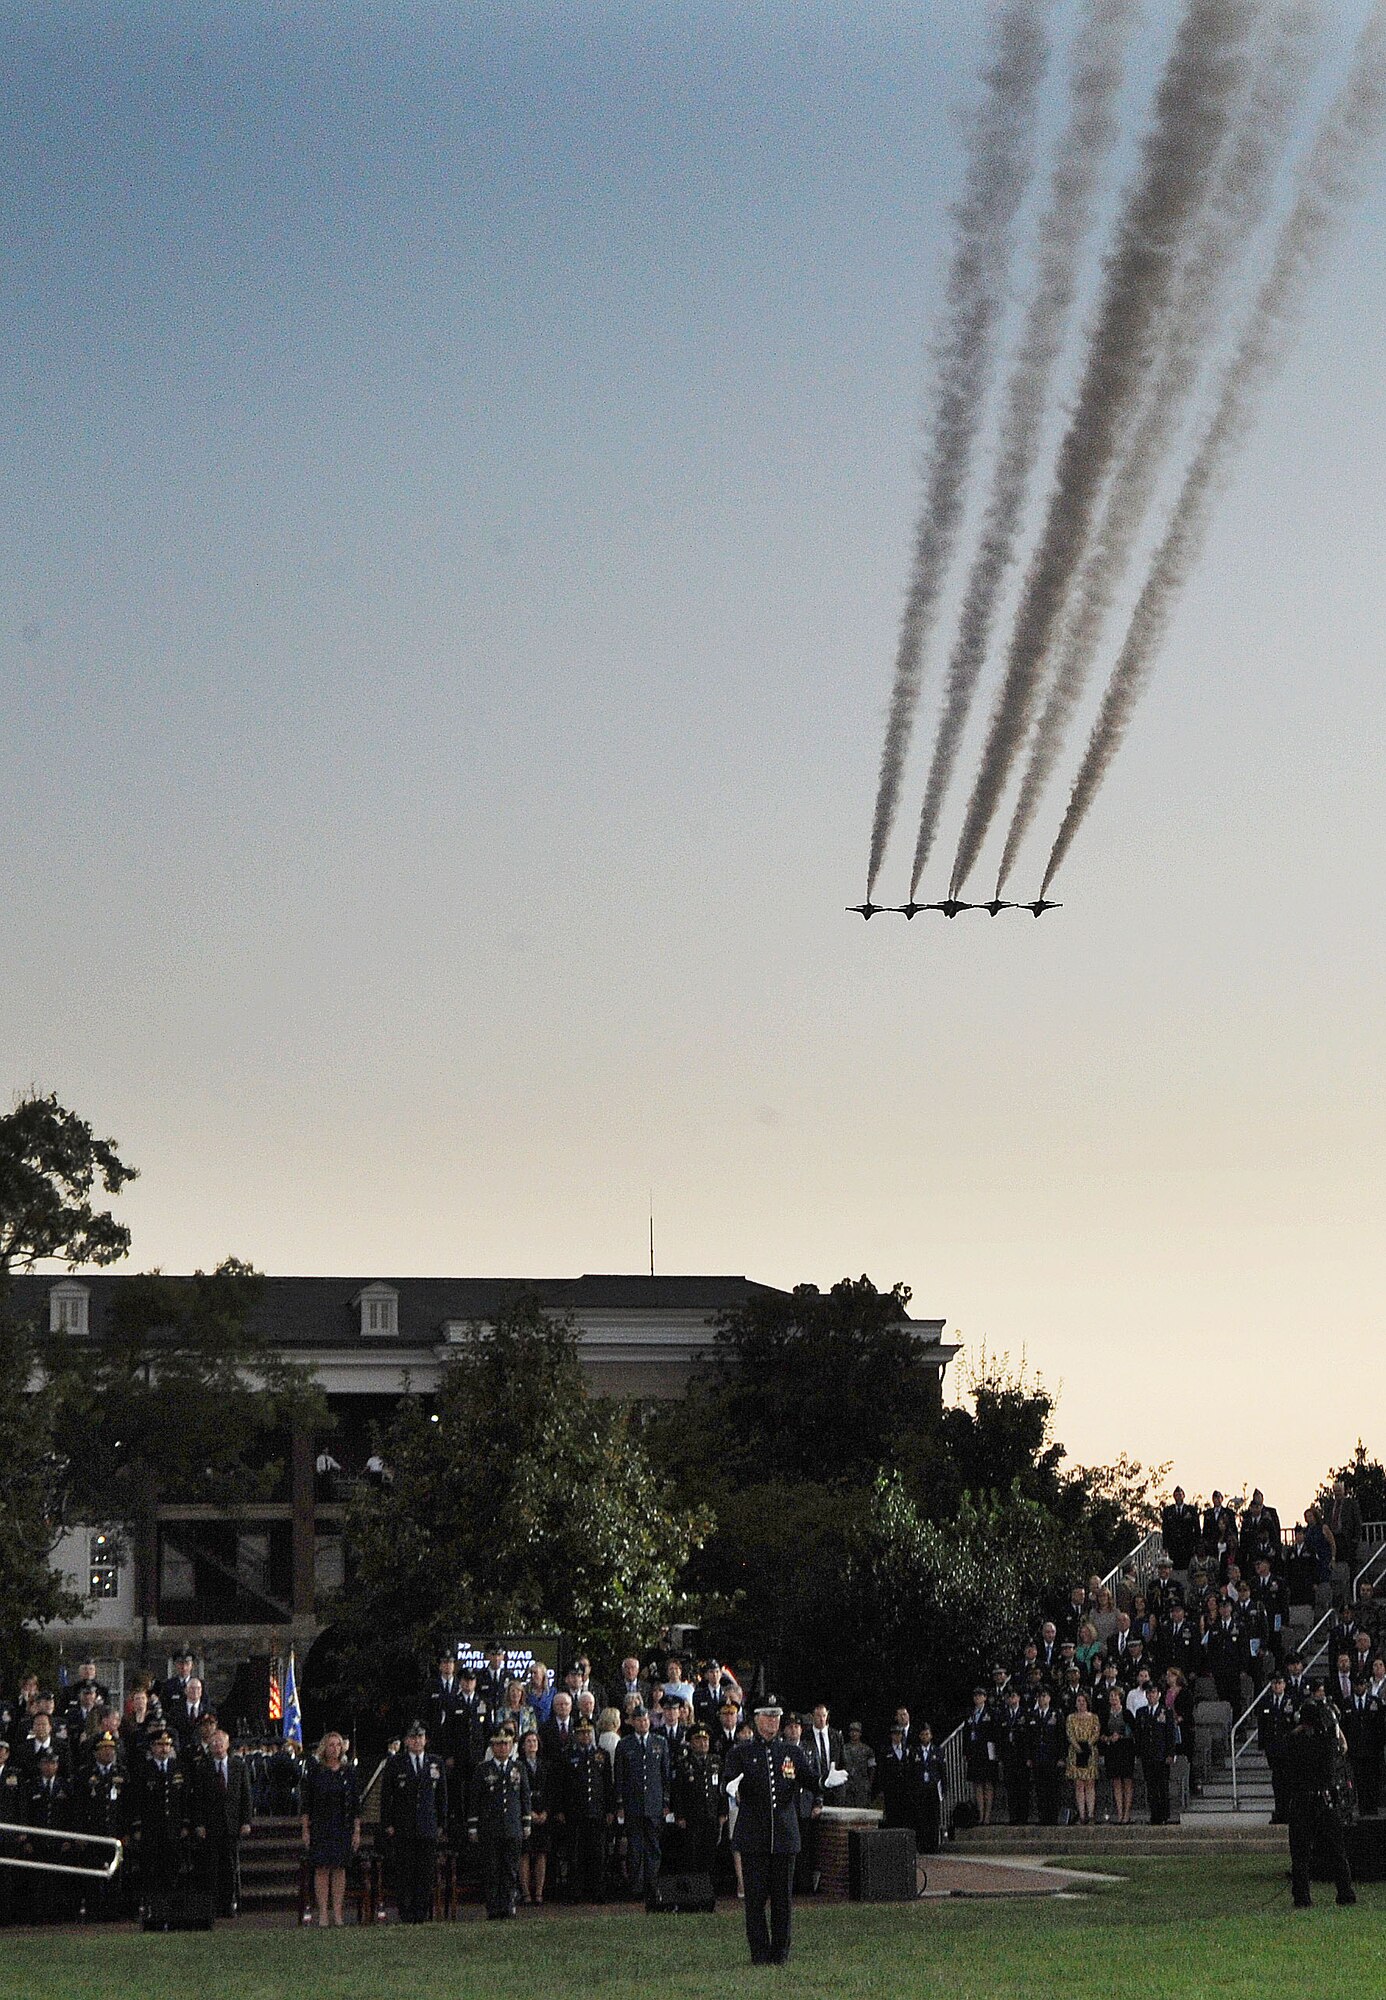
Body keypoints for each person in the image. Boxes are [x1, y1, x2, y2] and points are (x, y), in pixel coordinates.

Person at [722, 1695, 821, 1966]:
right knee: (755, 1900)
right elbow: (728, 1781)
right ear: (755, 1719)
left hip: (784, 1836)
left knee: (782, 1900)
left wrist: (825, 1781)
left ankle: (781, 1952)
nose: (772, 1721)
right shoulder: (740, 1752)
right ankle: (759, 1952)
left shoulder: (791, 1752)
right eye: (767, 1716)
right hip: (754, 1835)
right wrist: (731, 1787)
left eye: (776, 1716)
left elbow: (811, 1780)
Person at [1283, 1696, 1355, 1909]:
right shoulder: (1325, 1742)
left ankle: (1302, 1896)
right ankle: (1345, 1892)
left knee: (1300, 1853)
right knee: (1336, 1850)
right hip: (1323, 1800)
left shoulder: (1293, 1742)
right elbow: (1342, 1746)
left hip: (1300, 1801)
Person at [381, 1721, 447, 1923]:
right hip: (404, 1826)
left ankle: (422, 1911)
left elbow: (442, 1796)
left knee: (425, 1872)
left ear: (426, 1740)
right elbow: (386, 1796)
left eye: (420, 1737)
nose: (417, 1741)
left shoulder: (435, 1762)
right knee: (405, 1871)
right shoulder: (395, 1763)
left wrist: (441, 1823)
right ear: (406, 1741)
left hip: (427, 1826)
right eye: (413, 1737)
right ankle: (406, 1911)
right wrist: (388, 1823)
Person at [300, 1730, 361, 1928]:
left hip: (342, 1825)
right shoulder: (315, 1771)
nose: (334, 1749)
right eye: (331, 1745)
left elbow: (355, 1804)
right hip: (321, 1825)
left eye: (338, 1745)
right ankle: (323, 1914)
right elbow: (306, 1803)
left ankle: (338, 1913)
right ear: (324, 1748)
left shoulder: (348, 1771)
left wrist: (356, 1830)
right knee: (322, 1869)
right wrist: (305, 1829)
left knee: (339, 1869)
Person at [470, 1725, 531, 1919]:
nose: (503, 1748)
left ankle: (509, 1904)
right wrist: (473, 1826)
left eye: (506, 1744)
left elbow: (524, 1796)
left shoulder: (518, 1768)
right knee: (492, 1869)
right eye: (499, 1744)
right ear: (492, 1746)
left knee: (510, 1869)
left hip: (512, 1826)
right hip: (490, 1827)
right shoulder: (483, 1769)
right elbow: (474, 1799)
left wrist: (526, 1821)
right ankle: (493, 1907)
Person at [192, 1727, 253, 1918]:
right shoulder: (203, 1767)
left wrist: (246, 1821)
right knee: (211, 1867)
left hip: (232, 1824)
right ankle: (212, 1905)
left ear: (227, 1745)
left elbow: (246, 1795)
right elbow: (198, 1798)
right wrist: (200, 1823)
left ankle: (231, 1903)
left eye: (220, 1742)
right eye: (214, 1743)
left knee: (230, 1866)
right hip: (211, 1825)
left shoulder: (238, 1765)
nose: (217, 1746)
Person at [613, 1702, 671, 1899]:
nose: (643, 1723)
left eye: (645, 1720)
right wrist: (620, 1804)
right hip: (633, 1804)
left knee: (653, 1846)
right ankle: (636, 1886)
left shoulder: (659, 1742)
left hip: (654, 1803)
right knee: (635, 1847)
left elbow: (665, 1775)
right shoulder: (625, 1744)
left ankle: (652, 1885)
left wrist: (665, 1802)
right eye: (639, 1720)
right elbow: (619, 1776)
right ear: (633, 1722)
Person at [557, 1715, 612, 1902]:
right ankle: (576, 1893)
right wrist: (561, 1810)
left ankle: (598, 1892)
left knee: (597, 1854)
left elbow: (607, 1785)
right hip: (575, 1812)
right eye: (581, 1733)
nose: (585, 1736)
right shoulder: (568, 1755)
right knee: (575, 1854)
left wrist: (610, 1809)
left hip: (596, 1811)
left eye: (588, 1732)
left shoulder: (601, 1755)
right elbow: (562, 1785)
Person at [518, 1728, 549, 1906]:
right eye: (529, 1742)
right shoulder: (518, 1764)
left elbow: (550, 1790)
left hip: (542, 1811)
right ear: (523, 1745)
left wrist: (546, 1811)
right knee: (525, 1853)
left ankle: (539, 1892)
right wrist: (528, 1812)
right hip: (526, 1812)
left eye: (535, 1741)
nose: (532, 1745)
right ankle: (526, 1893)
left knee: (541, 1853)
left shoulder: (545, 1764)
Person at [1066, 1692, 1100, 1825]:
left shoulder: (1094, 1718)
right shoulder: (1070, 1718)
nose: (1081, 1703)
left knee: (1090, 1783)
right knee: (1079, 1784)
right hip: (1075, 1752)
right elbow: (1069, 1734)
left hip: (1090, 1752)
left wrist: (1087, 1745)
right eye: (1078, 1701)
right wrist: (1077, 1747)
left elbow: (1096, 1733)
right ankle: (1081, 1815)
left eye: (1083, 1701)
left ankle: (1091, 1814)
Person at [840, 1722, 876, 1809]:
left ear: (860, 1733)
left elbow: (872, 1768)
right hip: (847, 1786)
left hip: (862, 1786)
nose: (854, 1733)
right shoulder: (843, 1749)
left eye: (856, 1731)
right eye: (852, 1731)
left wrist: (869, 1784)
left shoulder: (868, 1750)